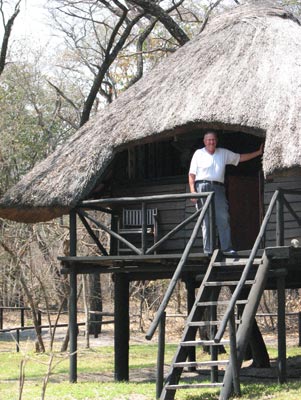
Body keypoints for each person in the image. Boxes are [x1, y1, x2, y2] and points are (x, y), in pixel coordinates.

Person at [188, 131, 263, 256]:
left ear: (216, 141)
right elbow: (192, 174)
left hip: (218, 187)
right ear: (204, 141)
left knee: (223, 217)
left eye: (213, 140)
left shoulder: (222, 153)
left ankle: (226, 248)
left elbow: (240, 158)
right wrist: (192, 191)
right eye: (208, 140)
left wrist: (258, 153)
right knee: (206, 220)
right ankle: (209, 251)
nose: (211, 142)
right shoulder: (198, 153)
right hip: (202, 187)